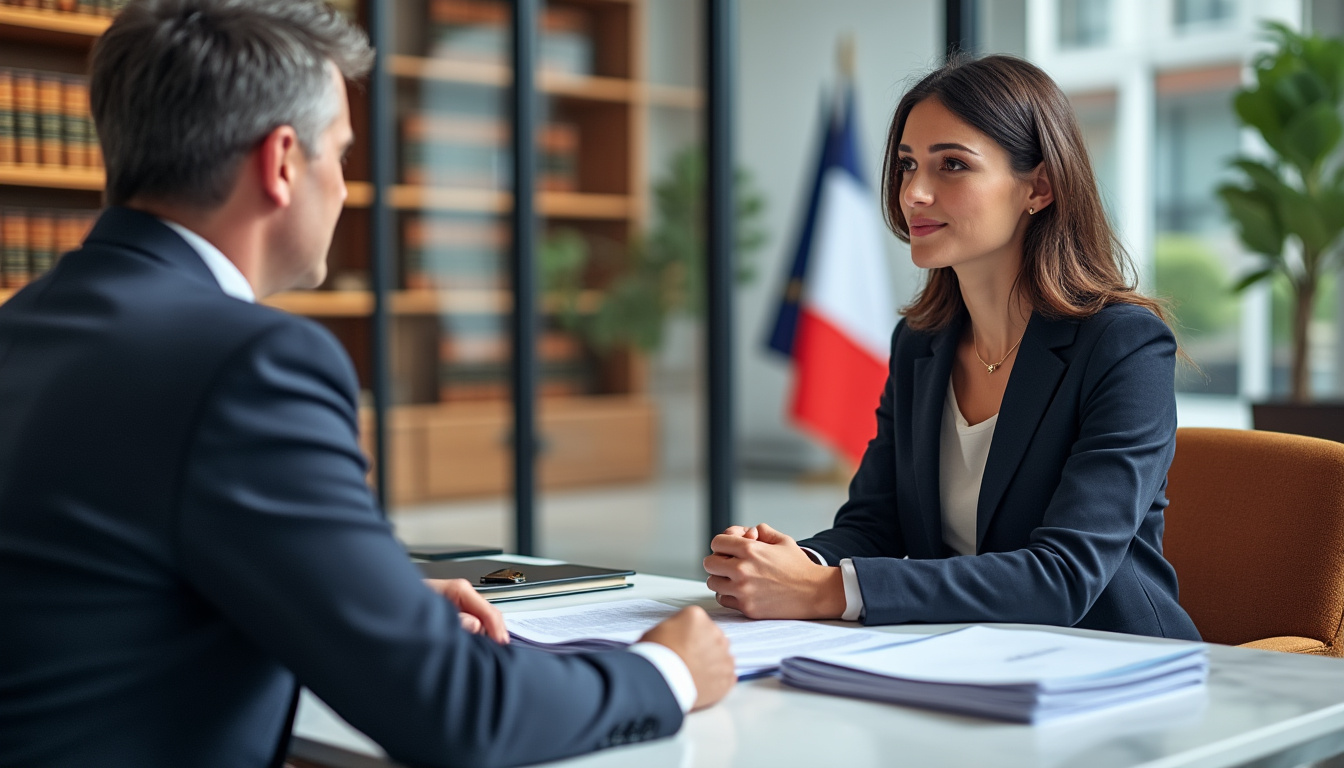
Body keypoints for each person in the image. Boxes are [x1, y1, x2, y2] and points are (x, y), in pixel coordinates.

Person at [0, 2, 734, 766]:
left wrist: (372, 603)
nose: (346, 190)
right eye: (341, 155)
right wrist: (668, 669)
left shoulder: (23, 326)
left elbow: (106, 590)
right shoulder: (250, 363)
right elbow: (458, 713)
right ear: (282, 161)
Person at [704, 54, 1200, 641]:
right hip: (963, 654)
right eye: (908, 164)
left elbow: (1065, 577)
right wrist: (791, 564)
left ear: (1038, 186)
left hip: (1112, 663)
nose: (914, 192)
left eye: (953, 165)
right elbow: (874, 524)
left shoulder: (1124, 344)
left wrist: (829, 591)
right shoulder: (921, 344)